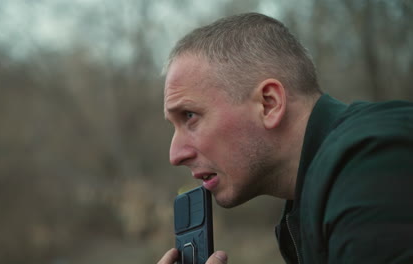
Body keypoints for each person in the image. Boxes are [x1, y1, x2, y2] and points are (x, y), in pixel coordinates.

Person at [158, 12, 413, 264]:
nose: (175, 155)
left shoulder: (373, 161)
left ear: (269, 104)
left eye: (190, 115)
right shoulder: (311, 203)